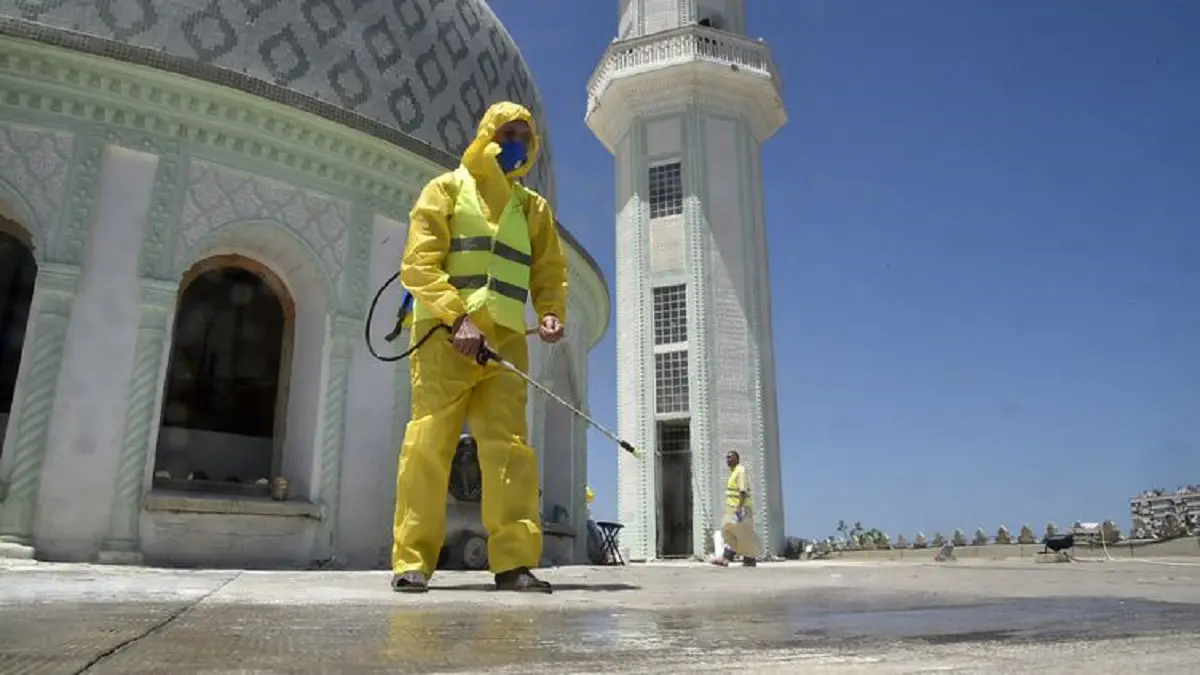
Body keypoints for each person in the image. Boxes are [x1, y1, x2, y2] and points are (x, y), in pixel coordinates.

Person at [390, 101, 567, 594]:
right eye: (506, 133)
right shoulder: (445, 190)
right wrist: (459, 318)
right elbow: (419, 265)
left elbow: (549, 272)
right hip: (446, 339)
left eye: (523, 138)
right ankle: (412, 561)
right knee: (429, 446)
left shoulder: (533, 209)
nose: (514, 144)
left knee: (509, 451)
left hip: (506, 341)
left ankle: (513, 563)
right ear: (486, 135)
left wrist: (551, 312)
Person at [711, 451, 763, 567]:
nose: (727, 460)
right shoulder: (734, 472)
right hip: (737, 508)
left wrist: (738, 508)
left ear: (737, 459)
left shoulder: (740, 471)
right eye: (726, 458)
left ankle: (726, 558)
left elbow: (743, 492)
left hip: (741, 508)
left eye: (730, 457)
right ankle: (749, 559)